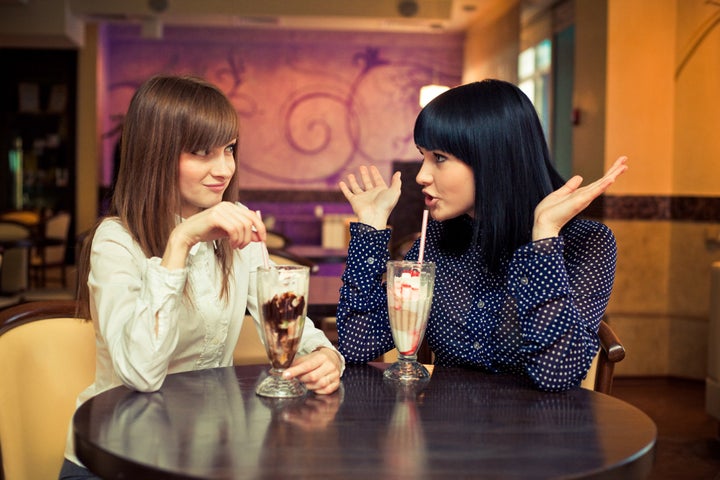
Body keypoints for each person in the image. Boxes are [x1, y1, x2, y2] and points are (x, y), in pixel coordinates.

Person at [59, 75, 344, 479]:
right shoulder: (116, 241)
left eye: (229, 149)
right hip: (115, 454)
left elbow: (285, 329)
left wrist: (324, 356)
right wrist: (181, 241)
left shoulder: (236, 230)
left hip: (205, 453)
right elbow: (140, 373)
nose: (224, 168)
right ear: (155, 154)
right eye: (201, 152)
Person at [336, 79, 628, 393]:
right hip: (445, 432)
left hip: (537, 437)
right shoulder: (438, 236)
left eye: (440, 158)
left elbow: (556, 374)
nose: (421, 175)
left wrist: (544, 241)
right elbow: (359, 343)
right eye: (423, 156)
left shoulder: (585, 242)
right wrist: (372, 227)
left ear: (493, 158)